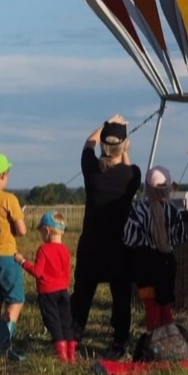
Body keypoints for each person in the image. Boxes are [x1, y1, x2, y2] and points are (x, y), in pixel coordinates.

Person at [71, 115, 142, 359]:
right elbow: (129, 170)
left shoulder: (91, 172)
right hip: (119, 248)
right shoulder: (131, 176)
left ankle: (72, 338)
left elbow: (87, 144)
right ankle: (119, 341)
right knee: (121, 297)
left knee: (82, 294)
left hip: (91, 245)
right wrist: (122, 140)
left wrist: (105, 125)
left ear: (103, 145)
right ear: (124, 147)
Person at [123, 166, 186, 332]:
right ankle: (170, 339)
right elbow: (180, 238)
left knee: (151, 305)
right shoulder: (175, 212)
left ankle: (154, 340)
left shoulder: (139, 212)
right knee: (165, 305)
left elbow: (129, 239)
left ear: (147, 187)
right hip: (166, 262)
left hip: (145, 263)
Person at [14, 212, 75, 364]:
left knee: (53, 322)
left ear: (47, 230)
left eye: (41, 231)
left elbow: (37, 272)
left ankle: (61, 355)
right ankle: (71, 355)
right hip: (63, 291)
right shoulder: (66, 251)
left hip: (47, 293)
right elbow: (67, 274)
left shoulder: (44, 249)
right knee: (66, 322)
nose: (41, 235)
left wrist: (22, 262)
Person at [0, 152, 27, 360]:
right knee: (16, 299)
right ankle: (4, 343)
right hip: (6, 254)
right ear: (4, 174)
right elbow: (22, 230)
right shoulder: (8, 199)